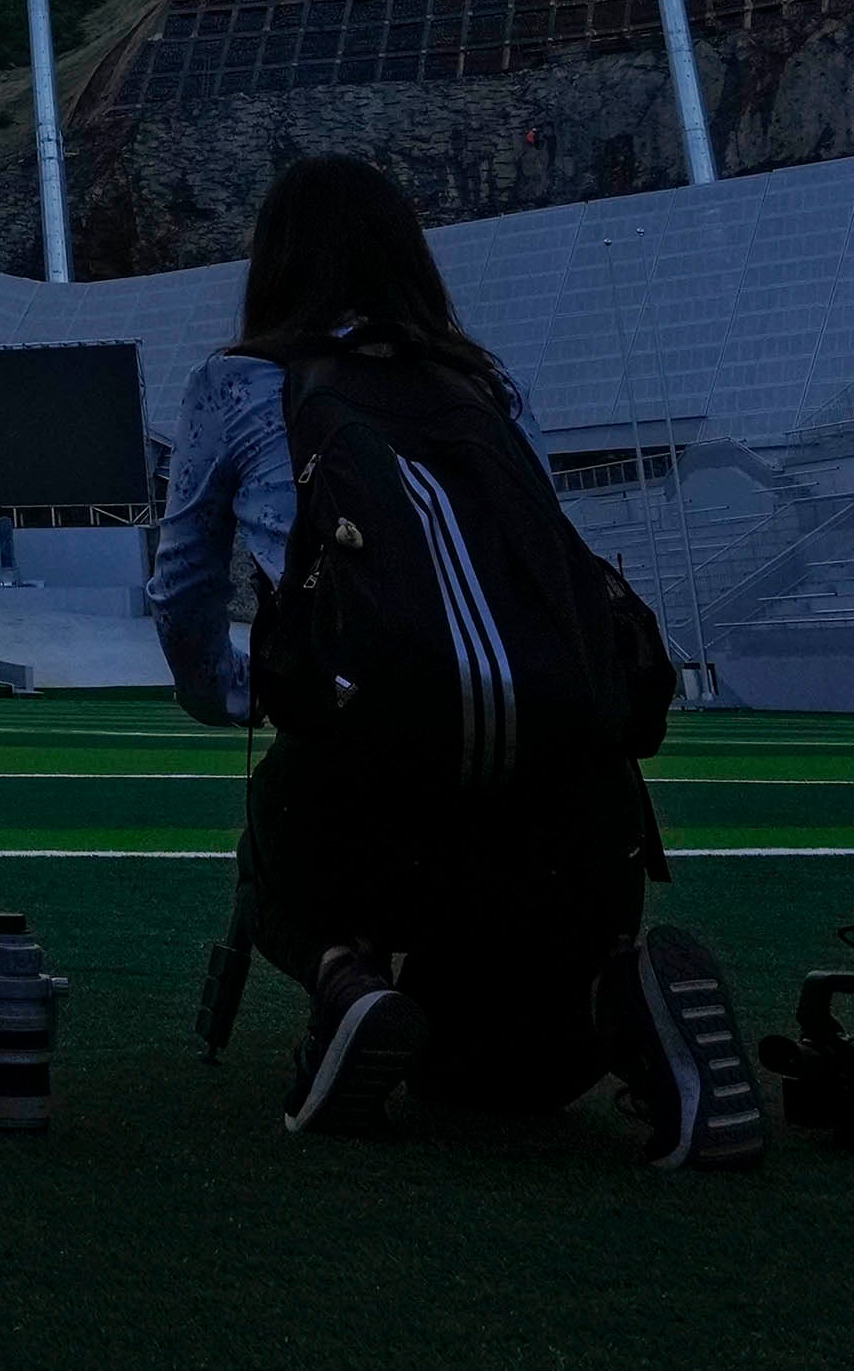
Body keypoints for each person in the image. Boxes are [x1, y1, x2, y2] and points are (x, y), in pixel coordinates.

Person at [147, 153, 765, 1168]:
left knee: (270, 836)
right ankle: (623, 989)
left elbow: (179, 590)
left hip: (362, 789)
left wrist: (231, 694)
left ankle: (349, 978)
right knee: (511, 1087)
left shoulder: (239, 382)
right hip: (571, 804)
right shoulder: (485, 386)